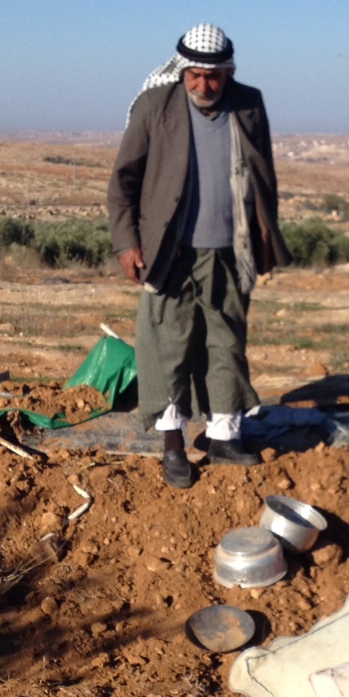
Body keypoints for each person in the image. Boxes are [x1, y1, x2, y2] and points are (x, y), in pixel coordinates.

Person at [108, 24, 291, 488]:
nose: (202, 86)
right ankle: (173, 445)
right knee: (166, 344)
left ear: (227, 73)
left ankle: (224, 435)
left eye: (212, 77)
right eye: (193, 76)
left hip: (230, 250)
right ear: (181, 71)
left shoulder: (248, 104)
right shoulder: (156, 106)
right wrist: (127, 243)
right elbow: (123, 181)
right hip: (167, 252)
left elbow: (263, 173)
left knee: (225, 342)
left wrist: (265, 238)